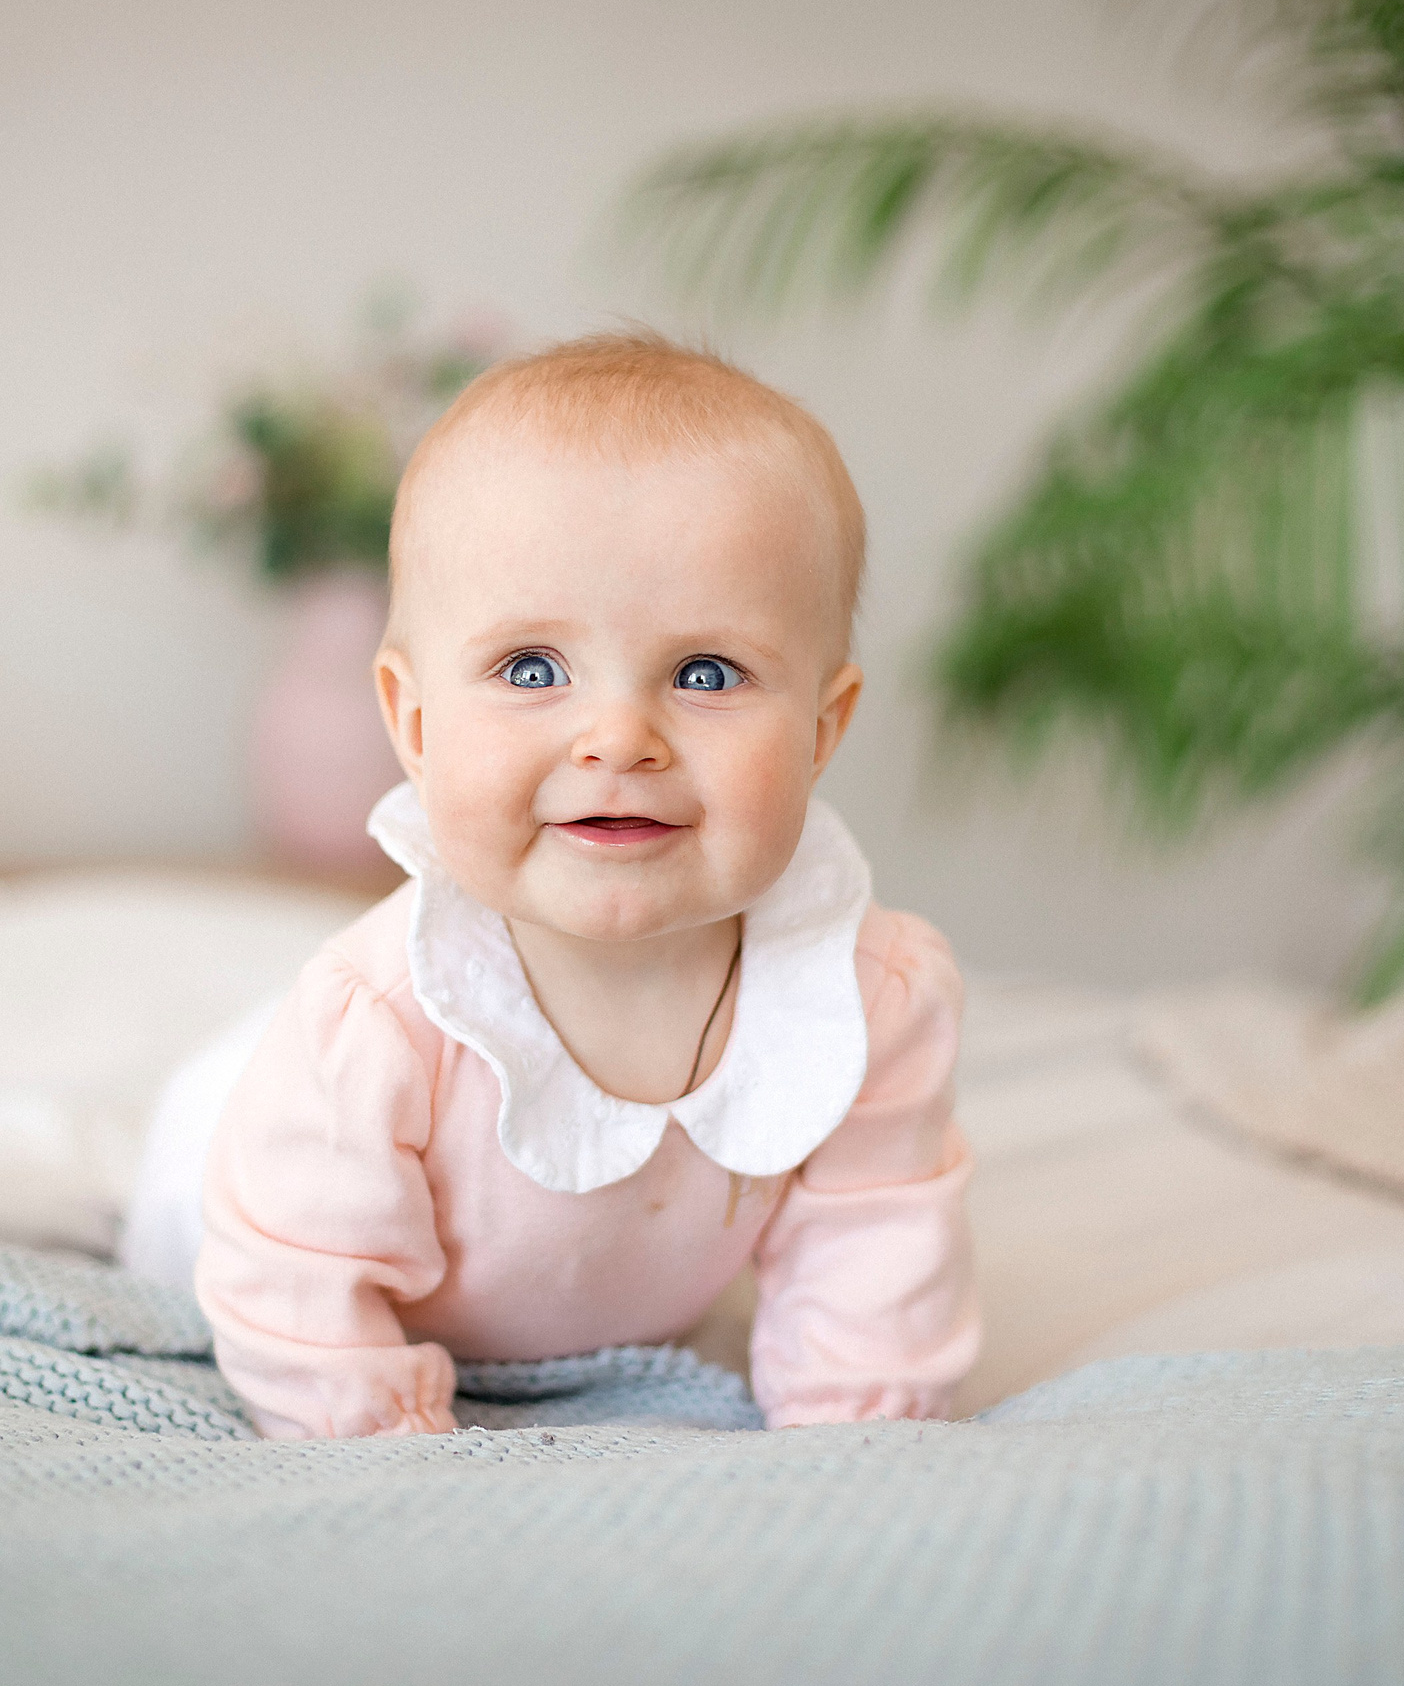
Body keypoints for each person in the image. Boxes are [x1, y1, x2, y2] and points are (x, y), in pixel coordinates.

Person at [146, 329, 977, 1438]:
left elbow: (874, 1247)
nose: (619, 736)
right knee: (249, 1131)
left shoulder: (870, 996)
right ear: (414, 721)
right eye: (531, 670)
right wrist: (382, 1447)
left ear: (823, 728)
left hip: (583, 1285)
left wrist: (852, 1437)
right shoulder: (371, 1022)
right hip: (233, 1195)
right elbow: (294, 1287)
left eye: (705, 672)